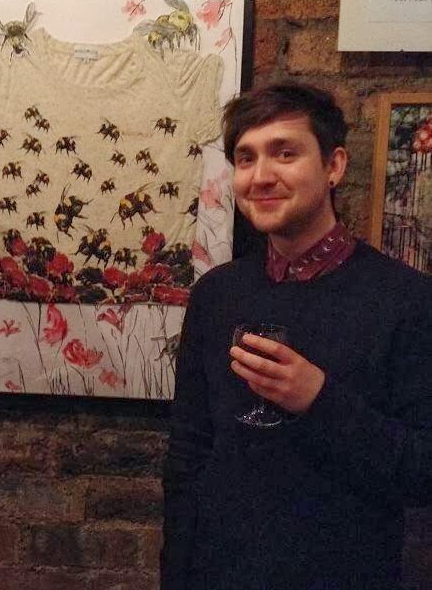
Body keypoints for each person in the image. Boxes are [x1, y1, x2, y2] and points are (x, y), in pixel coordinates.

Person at [161, 82, 432, 590]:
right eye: (246, 158)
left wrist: (319, 399)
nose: (261, 176)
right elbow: (188, 456)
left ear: (334, 166)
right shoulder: (217, 294)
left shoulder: (407, 300)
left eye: (285, 153)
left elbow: (422, 471)